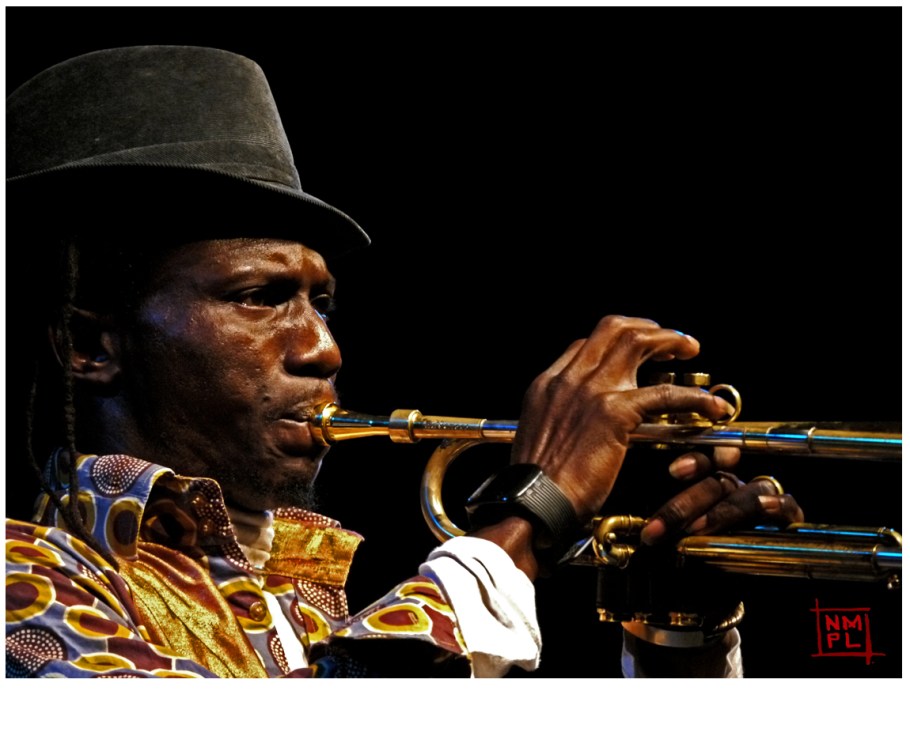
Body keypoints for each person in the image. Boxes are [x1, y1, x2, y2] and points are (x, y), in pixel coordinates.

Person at [5, 45, 804, 679]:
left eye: (321, 302)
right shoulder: (24, 586)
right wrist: (528, 516)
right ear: (90, 346)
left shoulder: (309, 592)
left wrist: (676, 633)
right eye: (259, 296)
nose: (323, 347)